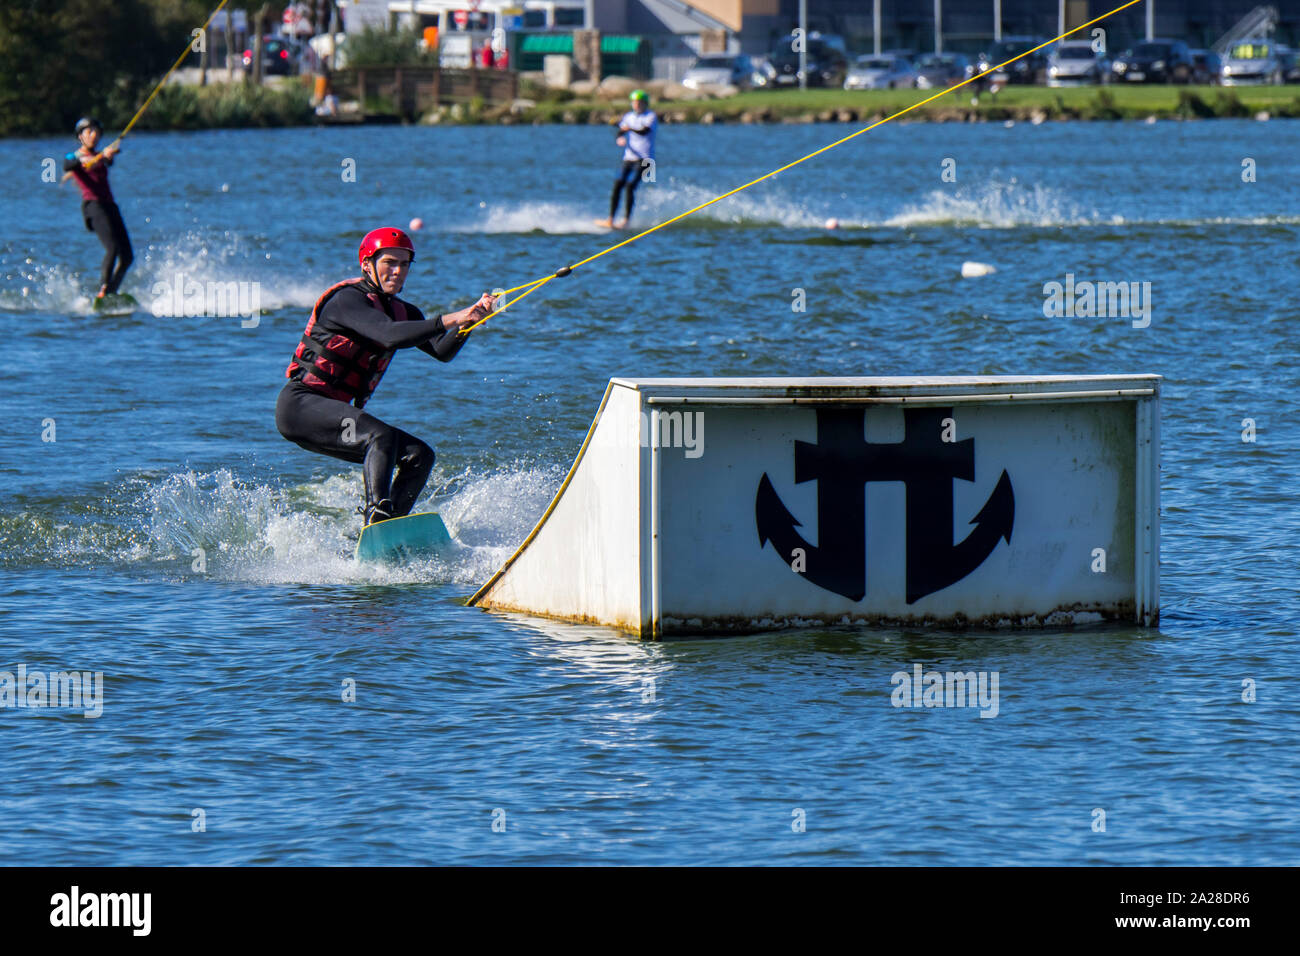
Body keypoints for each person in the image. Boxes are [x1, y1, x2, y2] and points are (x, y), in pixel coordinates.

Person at [276, 227, 496, 526]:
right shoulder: (346, 300)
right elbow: (388, 335)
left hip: (336, 413)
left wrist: (470, 321)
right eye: (389, 263)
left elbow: (441, 350)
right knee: (380, 436)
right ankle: (376, 515)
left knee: (419, 456)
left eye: (404, 264)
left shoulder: (405, 311)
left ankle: (386, 530)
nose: (397, 271)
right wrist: (453, 317)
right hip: (301, 407)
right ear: (367, 264)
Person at [64, 118, 133, 301]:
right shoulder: (74, 156)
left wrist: (107, 156)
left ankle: (111, 290)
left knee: (127, 256)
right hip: (94, 208)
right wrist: (101, 156)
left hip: (111, 206)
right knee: (112, 249)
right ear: (80, 136)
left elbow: (106, 161)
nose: (94, 135)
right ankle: (103, 290)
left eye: (97, 132)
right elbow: (68, 165)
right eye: (89, 132)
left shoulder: (100, 155)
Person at [604, 89, 657, 230]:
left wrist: (629, 129)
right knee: (618, 184)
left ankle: (626, 221)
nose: (637, 105)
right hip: (629, 158)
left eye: (640, 103)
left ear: (645, 104)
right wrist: (619, 137)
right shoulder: (628, 117)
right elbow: (621, 131)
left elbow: (644, 131)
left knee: (630, 186)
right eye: (635, 102)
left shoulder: (651, 116)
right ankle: (610, 219)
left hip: (647, 160)